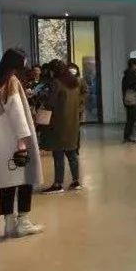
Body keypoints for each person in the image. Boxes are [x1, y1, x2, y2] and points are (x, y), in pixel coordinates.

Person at [0, 49, 44, 237]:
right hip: (15, 140)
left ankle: (9, 223)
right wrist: (23, 142)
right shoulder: (12, 81)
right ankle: (23, 221)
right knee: (26, 178)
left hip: (1, 142)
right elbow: (17, 112)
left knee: (7, 182)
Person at [39, 60, 84, 194]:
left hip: (58, 123)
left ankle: (58, 184)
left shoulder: (56, 83)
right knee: (72, 153)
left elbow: (50, 103)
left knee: (58, 154)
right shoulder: (75, 82)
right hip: (73, 123)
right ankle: (76, 181)